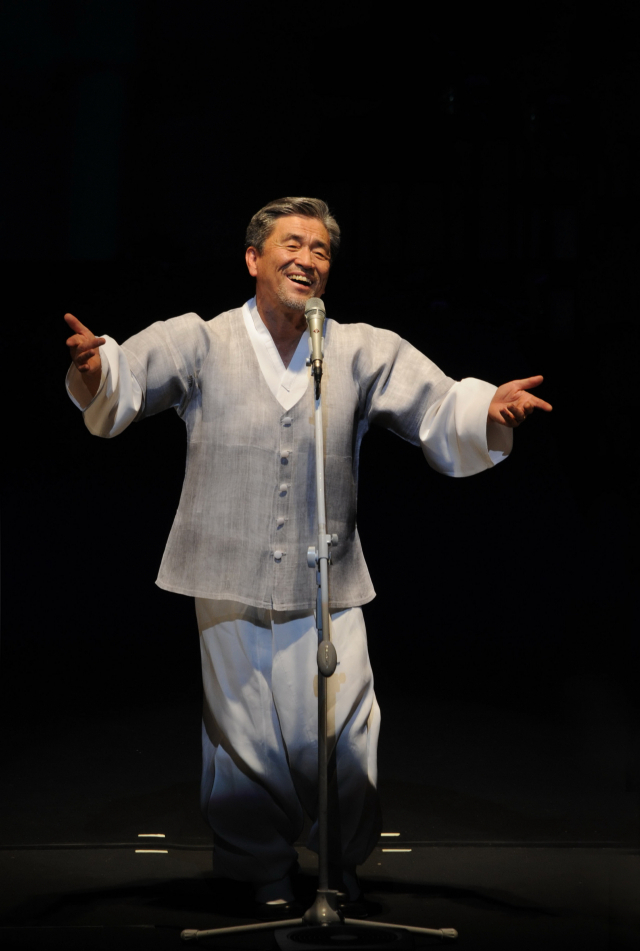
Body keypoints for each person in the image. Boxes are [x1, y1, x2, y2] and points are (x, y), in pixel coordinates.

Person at [65, 197, 552, 918]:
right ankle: (260, 867)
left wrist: (485, 410)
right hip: (226, 572)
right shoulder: (201, 339)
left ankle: (337, 863)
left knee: (345, 733)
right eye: (292, 244)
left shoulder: (359, 348)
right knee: (243, 735)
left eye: (321, 250)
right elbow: (123, 380)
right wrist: (95, 368)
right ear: (253, 258)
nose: (308, 259)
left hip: (328, 576)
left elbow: (437, 405)